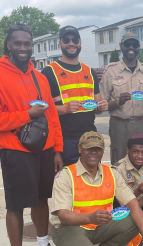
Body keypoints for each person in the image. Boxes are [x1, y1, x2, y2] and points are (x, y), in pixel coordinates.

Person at [0, 24, 63, 246]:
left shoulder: (40, 78)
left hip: (44, 150)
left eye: (27, 44)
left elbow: (51, 116)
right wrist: (25, 115)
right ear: (9, 45)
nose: (23, 48)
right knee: (15, 205)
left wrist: (57, 149)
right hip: (15, 151)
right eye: (18, 43)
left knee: (41, 200)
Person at [50, 131, 143, 246]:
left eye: (98, 149)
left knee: (135, 220)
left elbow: (133, 203)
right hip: (69, 228)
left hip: (98, 225)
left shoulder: (111, 173)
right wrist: (90, 218)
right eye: (89, 148)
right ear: (80, 149)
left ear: (103, 151)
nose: (94, 152)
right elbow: (63, 216)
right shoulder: (66, 175)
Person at [41, 26, 108, 166]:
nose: (71, 43)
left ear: (80, 42)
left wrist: (101, 106)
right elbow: (42, 108)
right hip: (64, 140)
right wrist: (65, 109)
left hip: (90, 138)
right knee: (66, 184)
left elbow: (97, 106)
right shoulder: (49, 72)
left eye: (74, 39)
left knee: (91, 183)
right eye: (66, 40)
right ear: (60, 43)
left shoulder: (90, 72)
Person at [100, 33, 143, 164]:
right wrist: (117, 102)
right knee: (120, 162)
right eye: (127, 44)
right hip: (119, 124)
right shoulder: (111, 71)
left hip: (141, 122)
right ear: (121, 46)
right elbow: (101, 104)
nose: (131, 47)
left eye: (134, 44)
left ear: (139, 47)